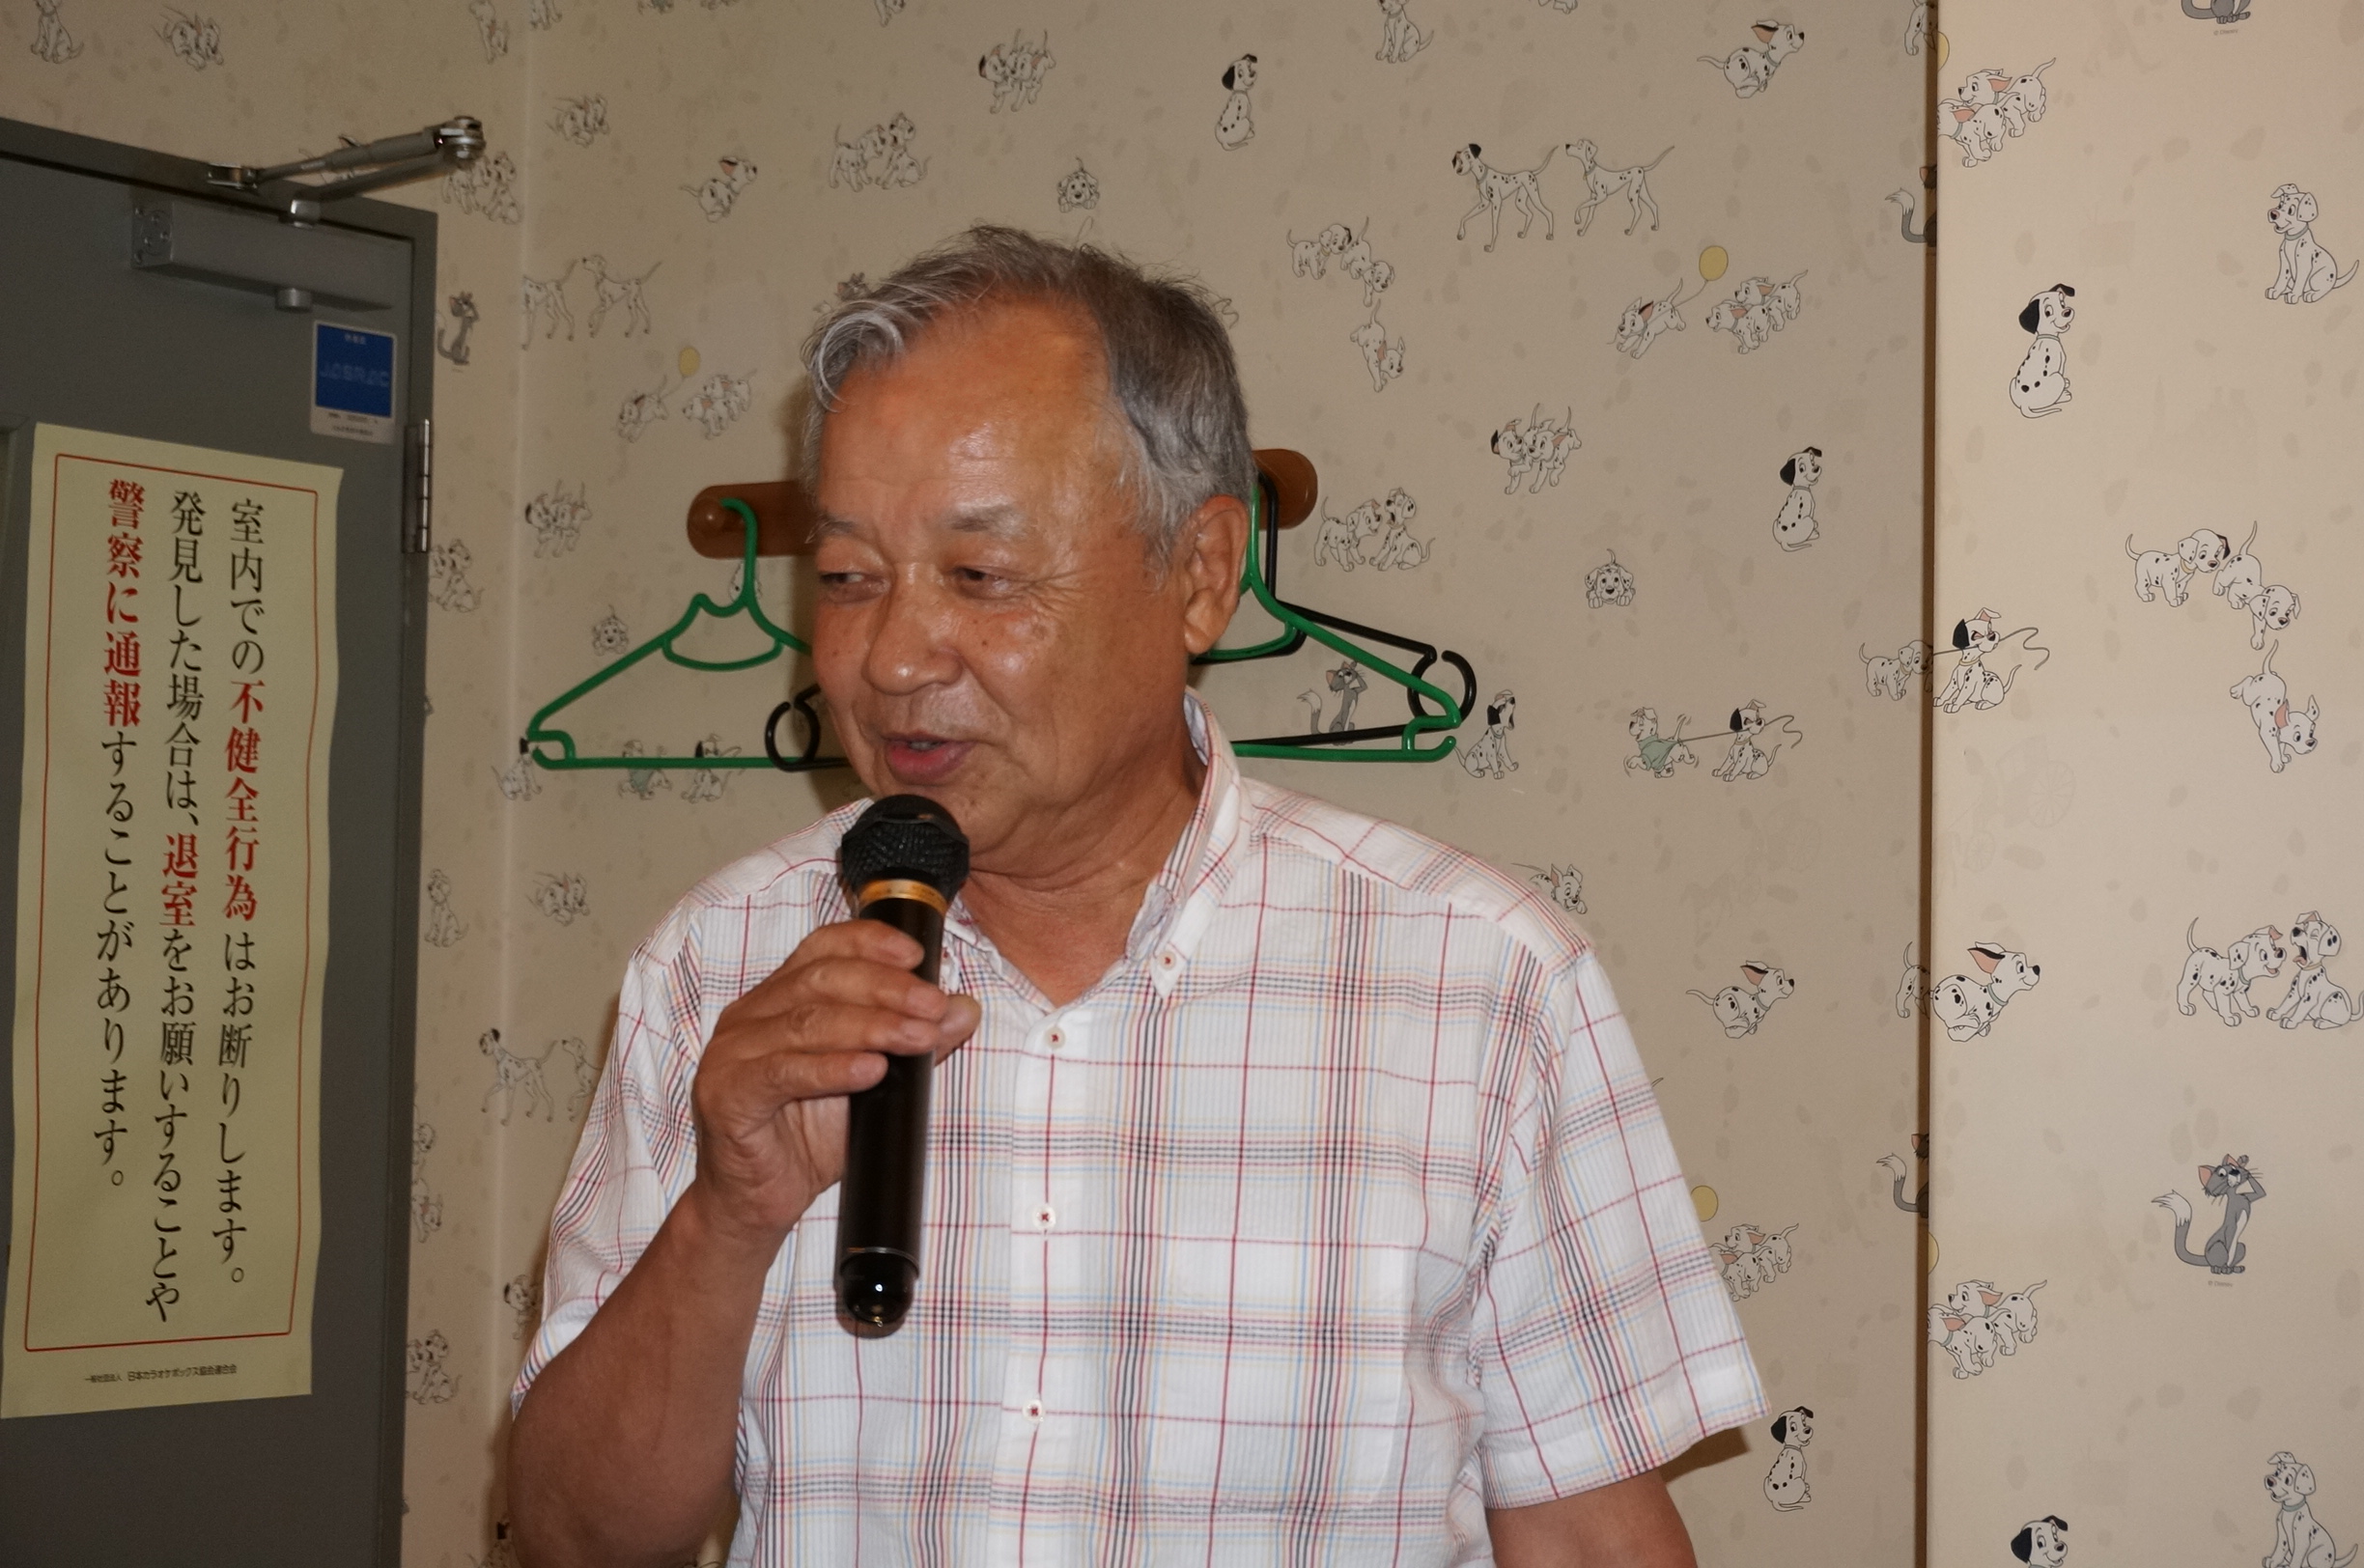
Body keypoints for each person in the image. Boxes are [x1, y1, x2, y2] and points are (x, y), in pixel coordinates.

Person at [507, 225, 1762, 1566]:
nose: (893, 657)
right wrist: (729, 1215)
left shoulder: (1481, 980)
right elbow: (572, 1541)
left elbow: (1585, 1533)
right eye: (850, 579)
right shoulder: (717, 964)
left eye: (980, 576)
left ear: (1201, 575)